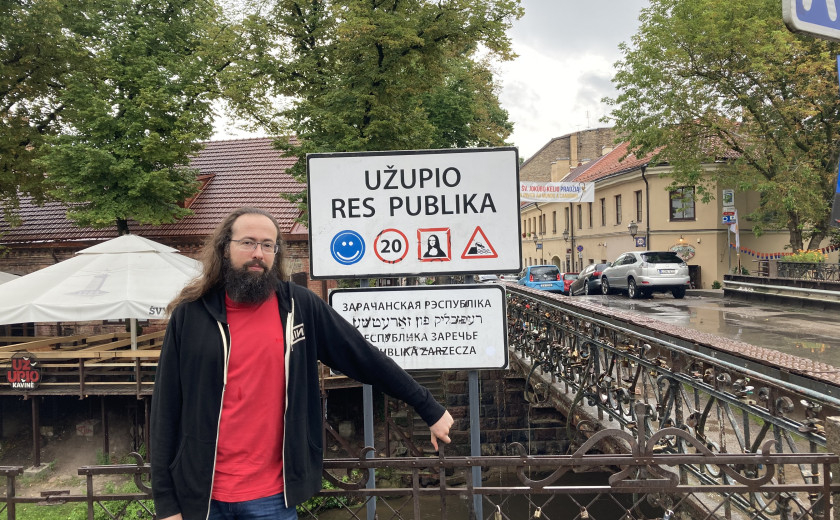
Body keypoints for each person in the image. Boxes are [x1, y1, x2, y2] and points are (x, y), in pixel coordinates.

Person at [151, 207, 454, 520]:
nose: (258, 254)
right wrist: (166, 503)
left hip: (272, 497)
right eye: (248, 243)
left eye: (268, 245)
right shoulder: (191, 315)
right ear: (225, 248)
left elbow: (363, 356)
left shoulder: (299, 306)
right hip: (201, 496)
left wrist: (427, 405)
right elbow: (166, 408)